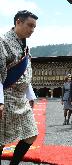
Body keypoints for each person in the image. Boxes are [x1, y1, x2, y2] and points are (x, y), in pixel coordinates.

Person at [0, 10, 38, 165]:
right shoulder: (2, 42)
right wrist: (0, 101)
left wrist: (31, 96)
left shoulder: (24, 45)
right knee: (1, 140)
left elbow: (25, 73)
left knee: (31, 134)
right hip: (6, 97)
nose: (32, 30)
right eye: (30, 25)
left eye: (34, 27)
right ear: (18, 22)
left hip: (21, 99)